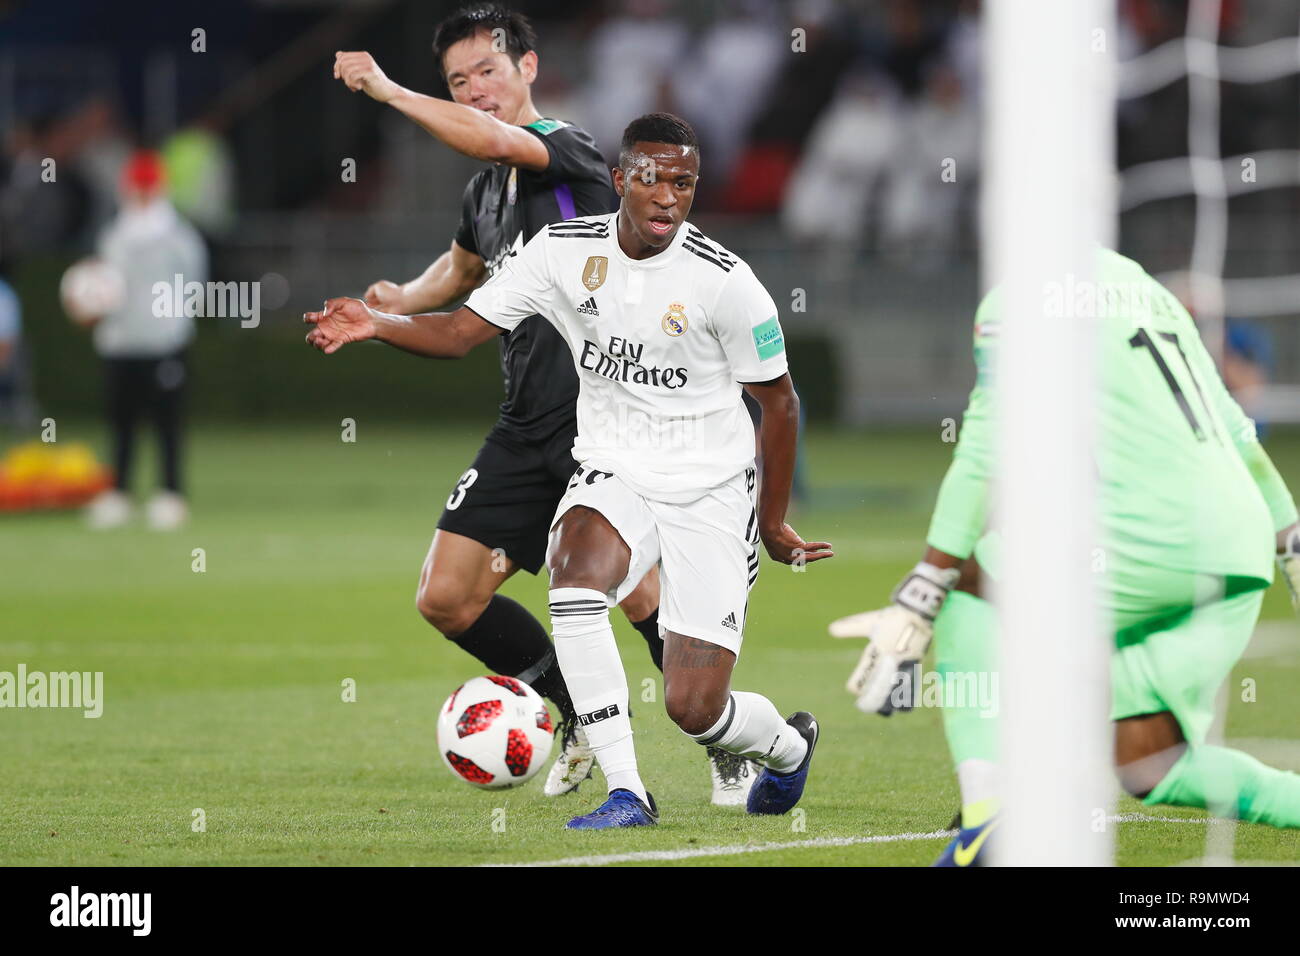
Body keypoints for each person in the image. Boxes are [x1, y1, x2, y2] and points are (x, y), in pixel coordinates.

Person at [305, 112, 833, 829]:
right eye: (651, 179)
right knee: (575, 574)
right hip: (613, 465)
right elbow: (461, 330)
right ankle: (627, 791)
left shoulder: (725, 283)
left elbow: (782, 403)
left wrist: (770, 523)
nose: (668, 197)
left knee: (695, 708)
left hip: (709, 490)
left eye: (684, 183)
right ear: (619, 181)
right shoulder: (561, 251)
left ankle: (785, 745)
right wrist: (378, 321)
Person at [329, 5, 756, 804]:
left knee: (634, 592)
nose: (474, 89)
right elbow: (456, 276)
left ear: (528, 68)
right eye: (457, 80)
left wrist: (387, 91)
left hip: (605, 419)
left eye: (488, 70)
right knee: (447, 596)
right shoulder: (485, 194)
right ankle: (577, 720)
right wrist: (393, 299)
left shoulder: (568, 151)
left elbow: (493, 137)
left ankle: (722, 741)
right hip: (527, 423)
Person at [830, 249, 1300, 865]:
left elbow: (981, 454)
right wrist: (1289, 540)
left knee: (970, 569)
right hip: (1239, 547)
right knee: (1145, 760)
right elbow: (1239, 433)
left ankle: (988, 820)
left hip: (1160, 536)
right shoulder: (1144, 288)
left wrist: (925, 583)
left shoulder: (1018, 301)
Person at [82, 150, 205, 530]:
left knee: (167, 422)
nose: (142, 194)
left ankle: (171, 493)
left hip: (164, 343)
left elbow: (195, 284)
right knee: (121, 420)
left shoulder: (178, 236)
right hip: (120, 342)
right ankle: (118, 491)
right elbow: (104, 285)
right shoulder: (114, 234)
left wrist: (170, 323)